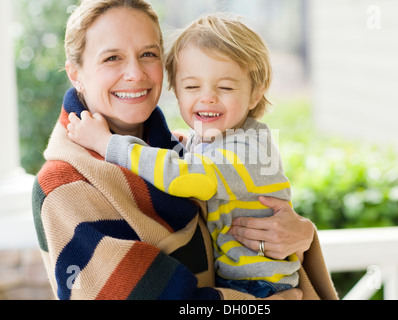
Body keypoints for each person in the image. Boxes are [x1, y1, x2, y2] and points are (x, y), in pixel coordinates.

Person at [32, 0, 338, 300]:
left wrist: (300, 236)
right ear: (75, 74)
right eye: (112, 57)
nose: (136, 73)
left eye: (148, 54)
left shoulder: (187, 152)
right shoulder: (64, 183)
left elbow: (250, 214)